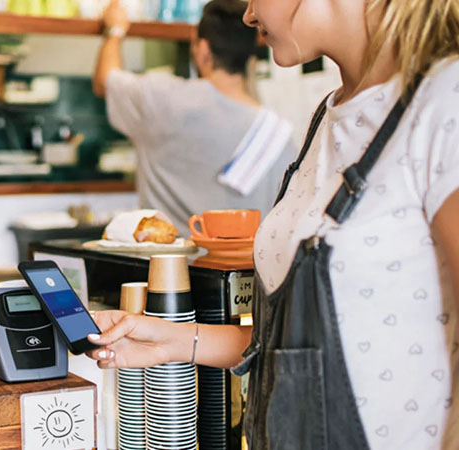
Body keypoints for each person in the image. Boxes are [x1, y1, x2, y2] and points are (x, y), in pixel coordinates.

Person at [87, 0, 459, 448]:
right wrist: (167, 340)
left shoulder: (445, 101)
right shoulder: (327, 116)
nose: (248, 15)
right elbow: (301, 348)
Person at [93, 0, 295, 233]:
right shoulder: (278, 134)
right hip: (246, 269)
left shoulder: (163, 99)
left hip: (168, 267)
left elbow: (105, 80)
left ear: (204, 50)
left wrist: (114, 30)